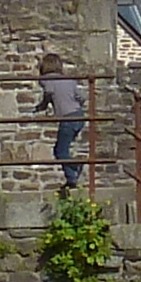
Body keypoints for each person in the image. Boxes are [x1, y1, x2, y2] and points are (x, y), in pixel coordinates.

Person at [32, 57, 89, 191]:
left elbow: (49, 92)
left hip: (68, 118)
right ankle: (71, 180)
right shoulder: (69, 80)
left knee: (60, 151)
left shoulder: (46, 80)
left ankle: (75, 168)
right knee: (63, 149)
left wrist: (43, 105)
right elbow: (82, 96)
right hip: (79, 115)